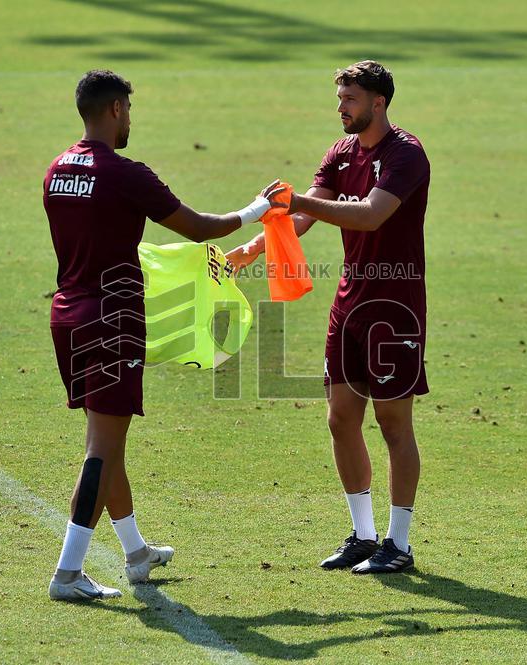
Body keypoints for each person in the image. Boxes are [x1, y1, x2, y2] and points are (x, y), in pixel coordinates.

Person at [44, 69, 283, 601]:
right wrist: (255, 210)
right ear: (113, 110)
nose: (130, 118)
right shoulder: (126, 173)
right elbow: (198, 227)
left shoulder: (57, 169)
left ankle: (134, 552)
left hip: (67, 314)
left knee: (108, 443)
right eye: (127, 109)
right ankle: (68, 571)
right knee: (102, 450)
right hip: (112, 320)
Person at [228, 60, 430, 574]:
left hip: (395, 307)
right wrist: (258, 243)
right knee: (341, 419)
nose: (341, 108)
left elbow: (370, 213)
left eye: (351, 100)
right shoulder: (341, 153)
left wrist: (296, 200)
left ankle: (399, 544)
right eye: (340, 99)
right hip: (349, 304)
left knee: (392, 423)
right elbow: (308, 211)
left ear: (378, 103)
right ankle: (364, 536)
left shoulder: (405, 154)